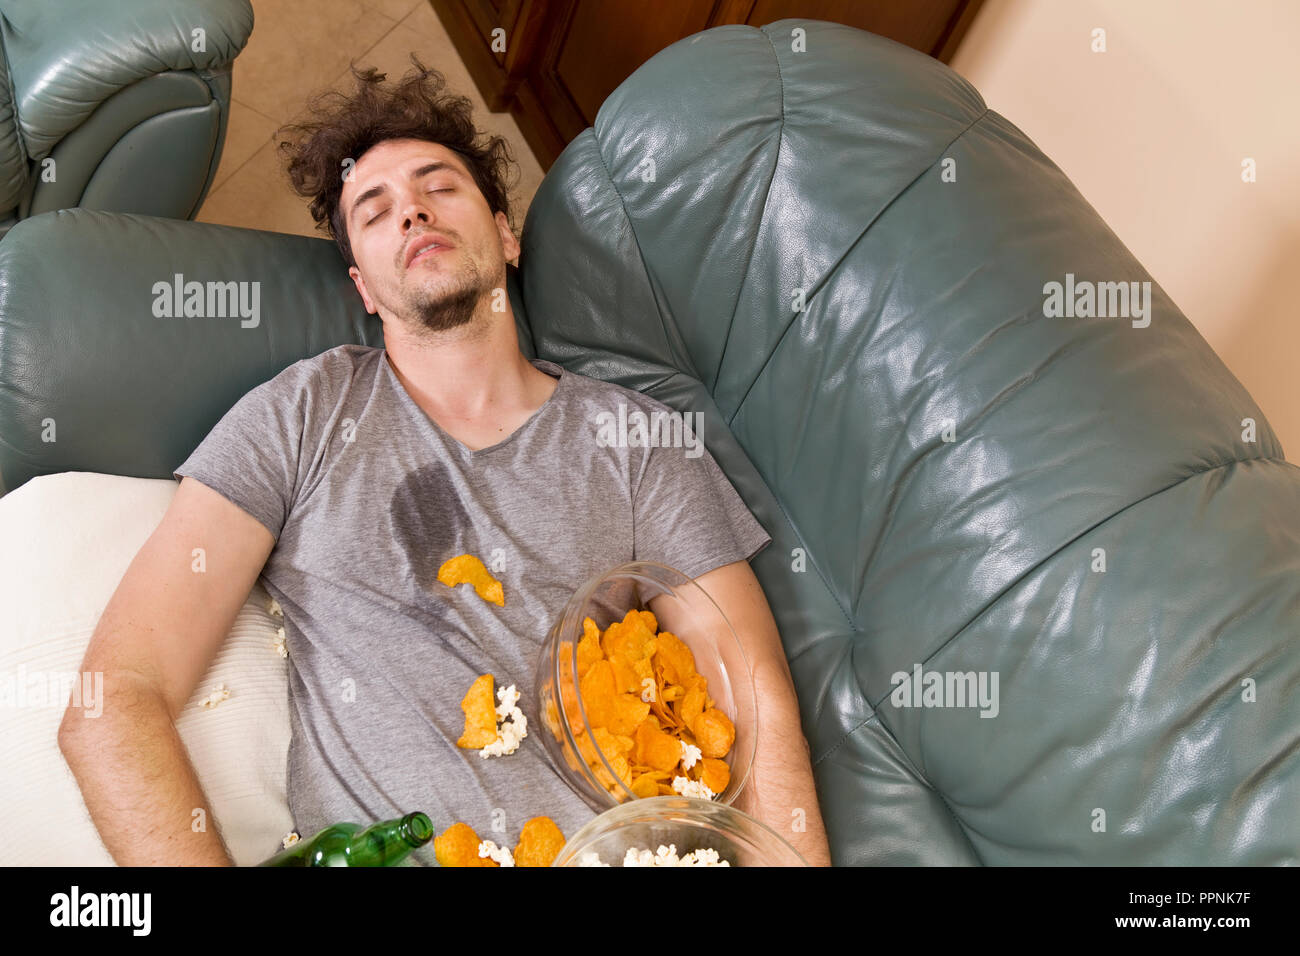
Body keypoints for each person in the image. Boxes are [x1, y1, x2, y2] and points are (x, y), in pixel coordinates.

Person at [59, 56, 830, 867]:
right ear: (362, 283)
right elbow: (113, 699)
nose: (412, 211)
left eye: (440, 184)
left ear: (505, 233)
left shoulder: (641, 441)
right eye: (375, 207)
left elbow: (757, 711)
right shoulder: (302, 414)